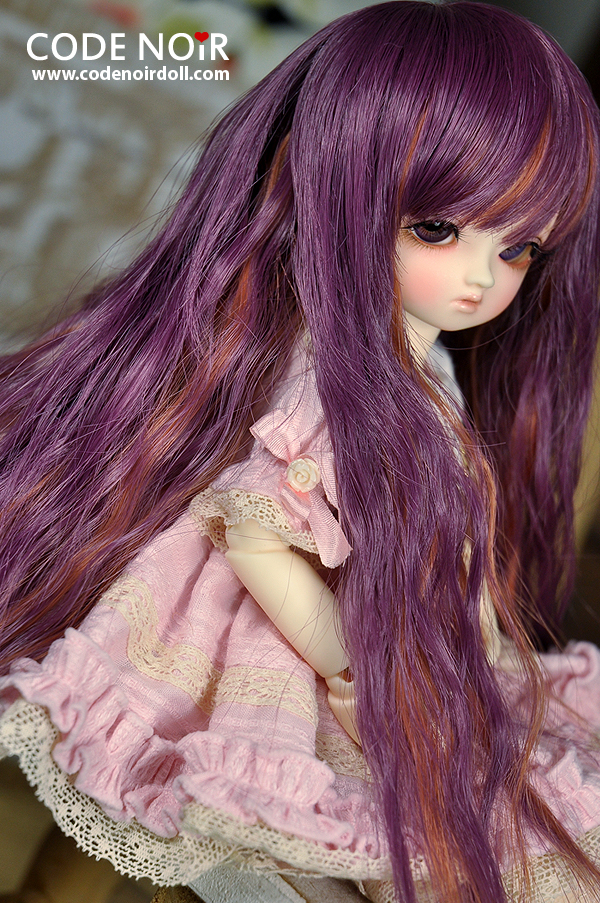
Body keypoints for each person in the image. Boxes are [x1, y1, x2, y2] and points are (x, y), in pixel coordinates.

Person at [1, 2, 600, 901]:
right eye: (437, 229)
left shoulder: (422, 363)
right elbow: (255, 535)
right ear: (332, 191)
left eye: (518, 248)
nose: (481, 277)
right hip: (284, 650)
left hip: (386, 637)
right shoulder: (322, 375)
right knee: (204, 812)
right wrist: (355, 667)